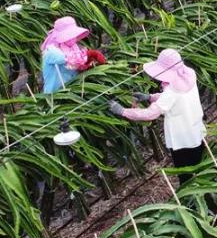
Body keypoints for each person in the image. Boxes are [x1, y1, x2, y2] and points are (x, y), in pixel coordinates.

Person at [109, 49, 206, 185]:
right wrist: (150, 97)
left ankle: (193, 202)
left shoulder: (171, 92)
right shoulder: (188, 75)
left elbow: (151, 113)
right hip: (196, 130)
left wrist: (122, 111)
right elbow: (176, 99)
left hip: (182, 139)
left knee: (186, 175)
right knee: (202, 167)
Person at [40, 17, 106, 94]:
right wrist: (90, 54)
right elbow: (68, 58)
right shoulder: (51, 50)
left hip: (71, 90)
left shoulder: (73, 47)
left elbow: (77, 64)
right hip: (54, 93)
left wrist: (87, 63)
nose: (73, 38)